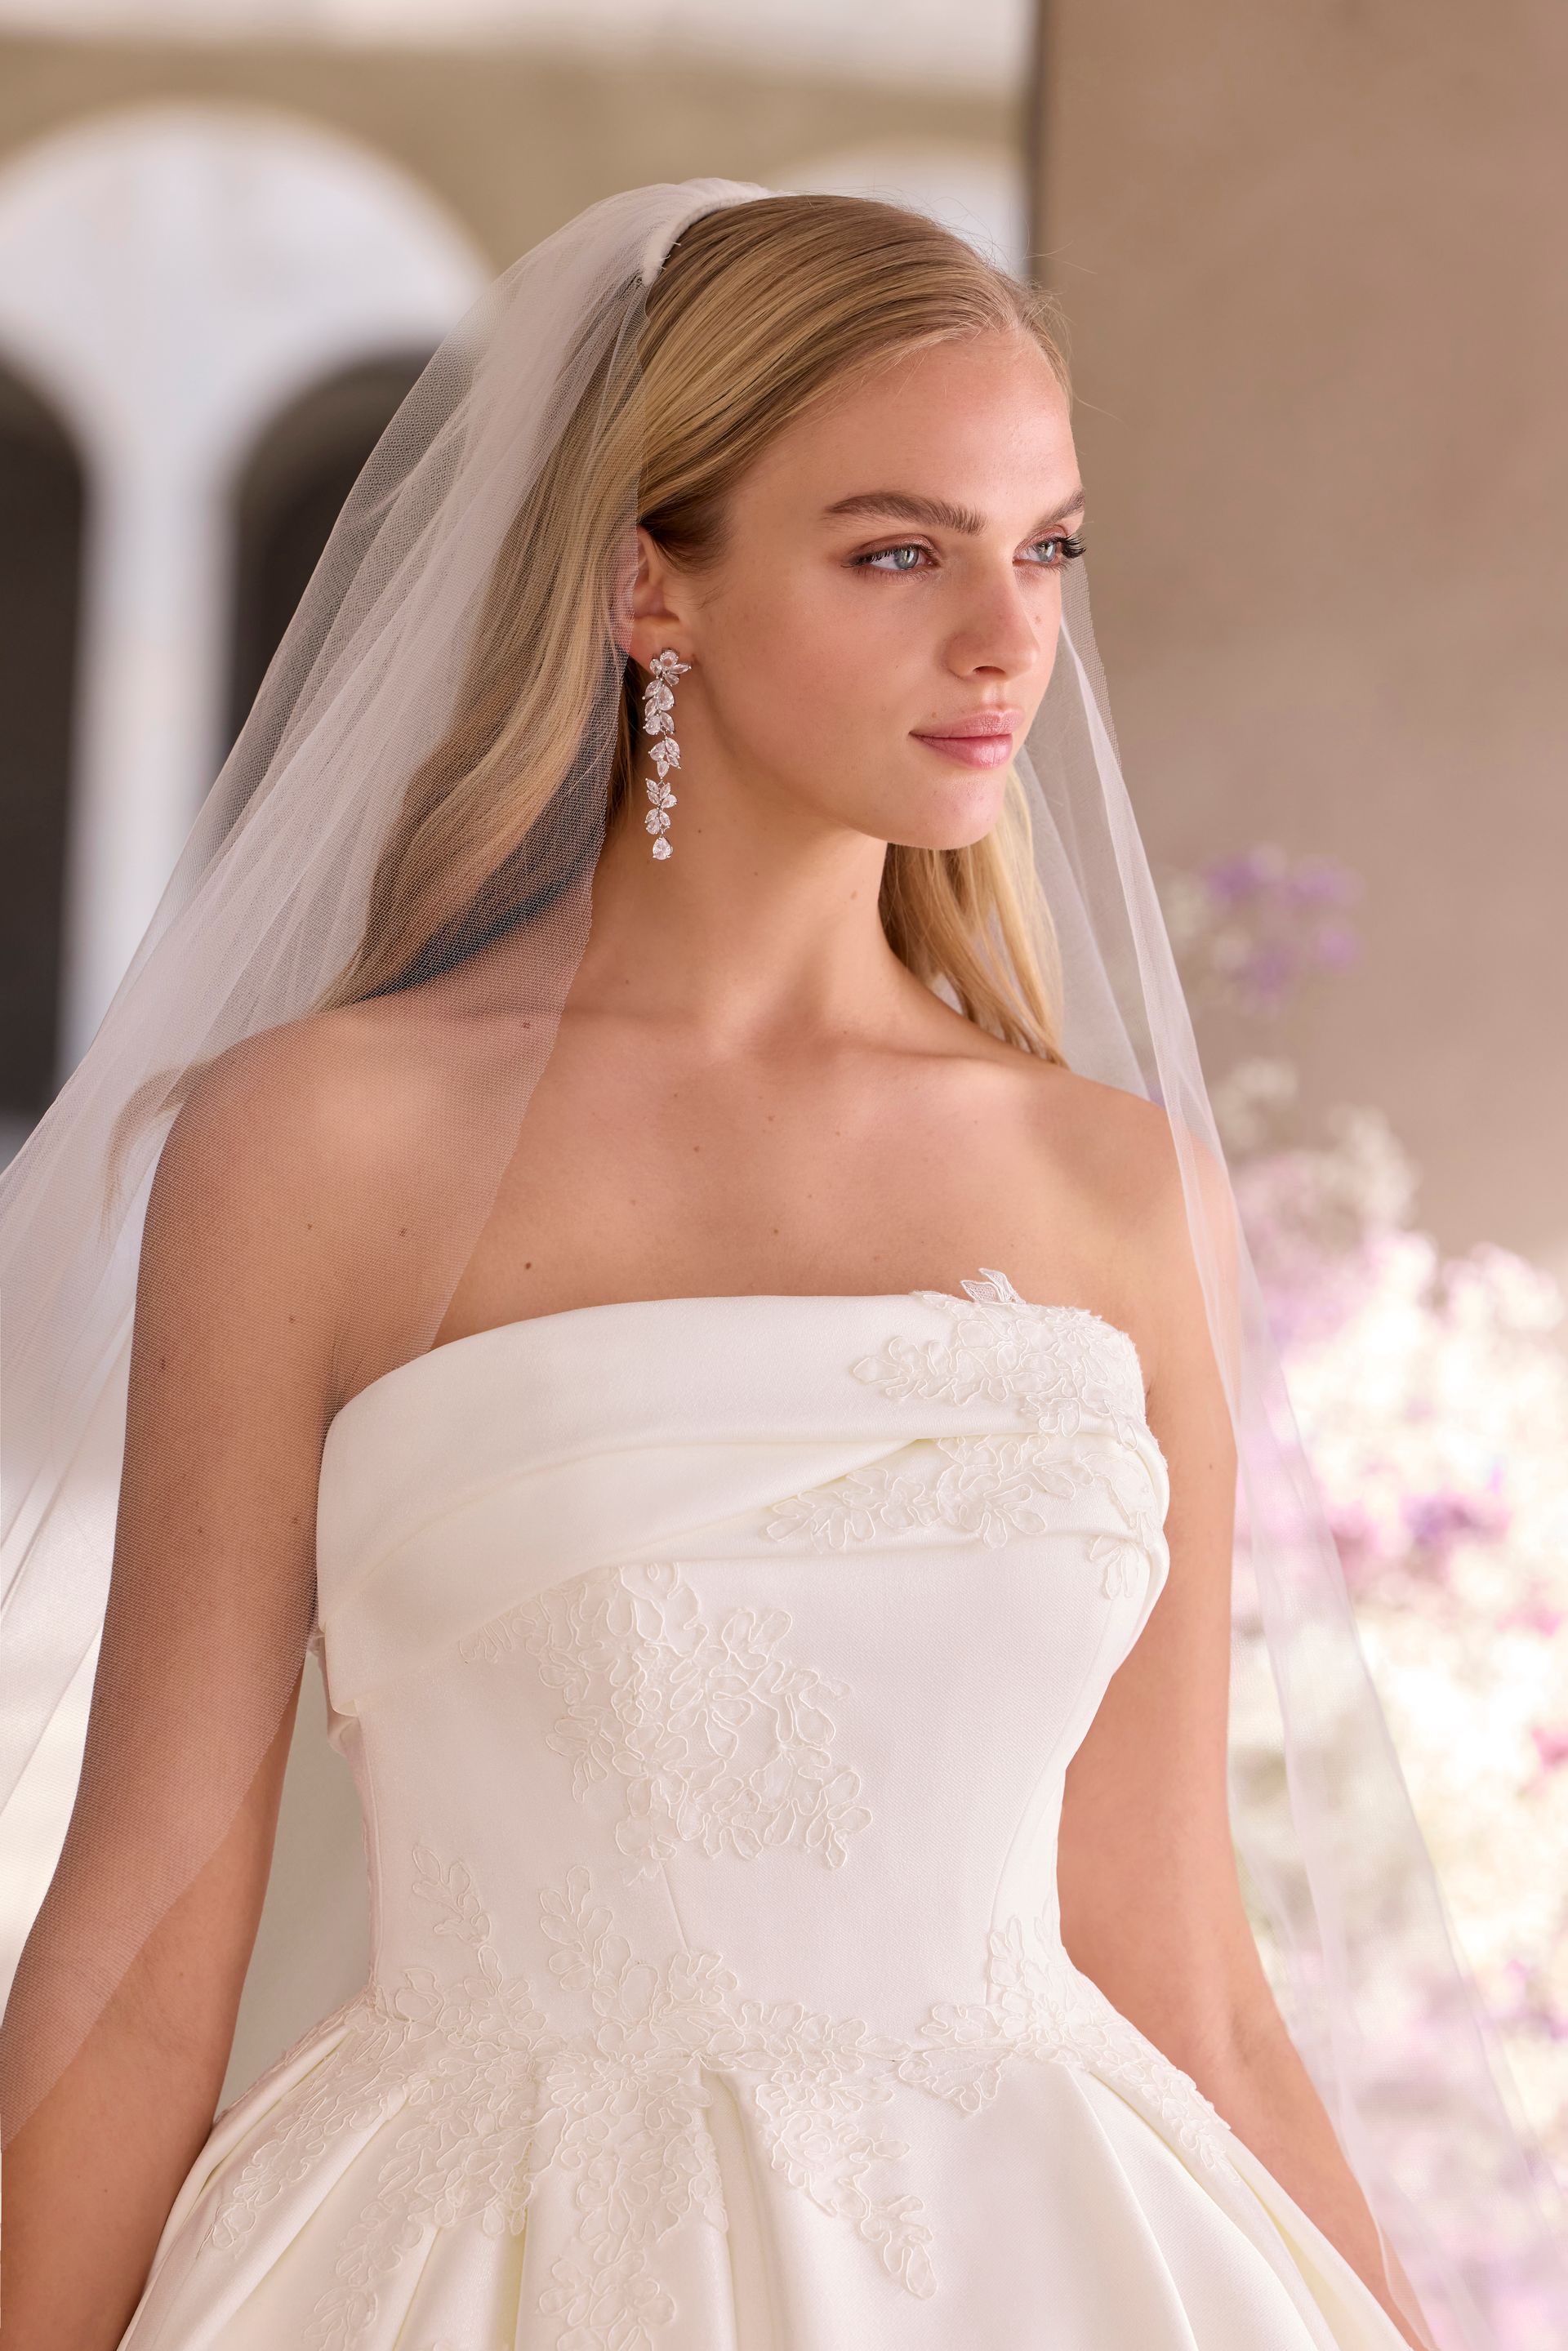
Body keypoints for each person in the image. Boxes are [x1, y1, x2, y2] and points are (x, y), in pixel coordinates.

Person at [0, 180, 1560, 2351]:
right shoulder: (317, 1148)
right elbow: (148, 1929)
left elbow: (1185, 1971)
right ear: (657, 587)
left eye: (1048, 547)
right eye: (899, 550)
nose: (1009, 639)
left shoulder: (1118, 1194)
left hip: (1063, 2263)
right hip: (480, 2259)